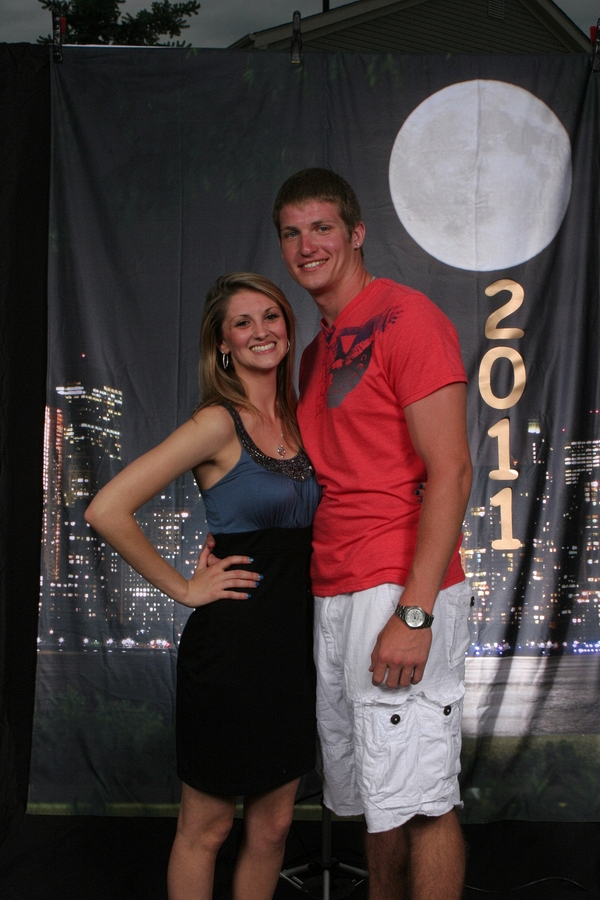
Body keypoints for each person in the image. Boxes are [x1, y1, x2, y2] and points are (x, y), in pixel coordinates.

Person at [85, 272, 320, 900]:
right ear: (222, 343)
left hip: (295, 652)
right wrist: (185, 589)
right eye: (243, 322)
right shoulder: (218, 423)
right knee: (208, 828)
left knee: (273, 828)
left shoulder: (303, 419)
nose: (260, 331)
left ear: (288, 327)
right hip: (232, 652)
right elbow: (107, 509)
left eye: (271, 316)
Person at [272, 168, 473, 900]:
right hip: (337, 587)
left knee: (425, 802)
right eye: (291, 233)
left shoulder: (408, 318)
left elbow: (452, 471)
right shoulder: (315, 353)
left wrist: (414, 614)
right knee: (378, 798)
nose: (307, 245)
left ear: (356, 233)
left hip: (399, 584)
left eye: (322, 227)